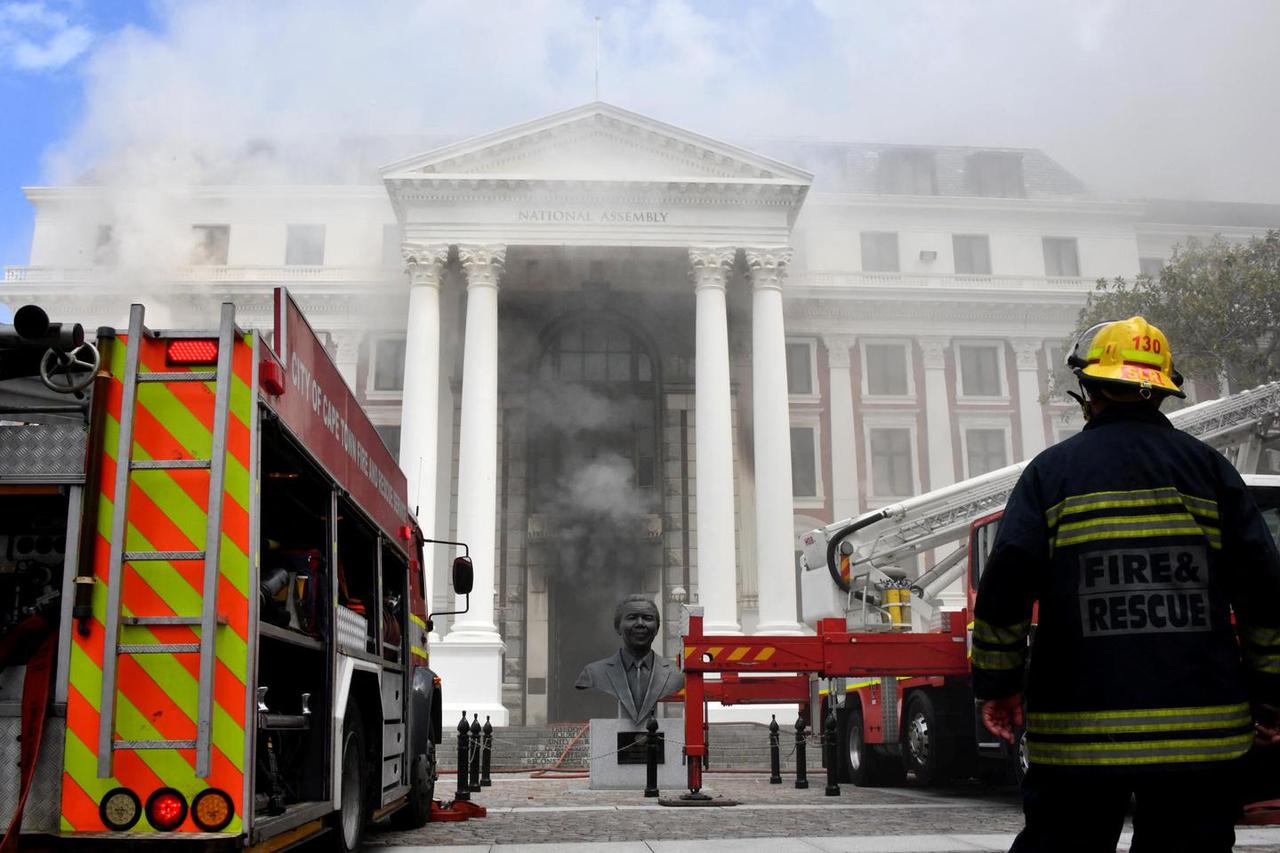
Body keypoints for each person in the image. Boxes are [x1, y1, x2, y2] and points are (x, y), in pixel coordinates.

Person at [972, 316, 1280, 853]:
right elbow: (1264, 595)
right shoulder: (1211, 473)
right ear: (1162, 390)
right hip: (1200, 741)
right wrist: (1272, 696)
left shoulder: (1051, 474)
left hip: (1076, 742)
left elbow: (1006, 589)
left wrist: (997, 685)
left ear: (1088, 390)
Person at [575, 594, 684, 726]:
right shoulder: (593, 673)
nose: (640, 624)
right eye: (632, 618)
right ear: (617, 627)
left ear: (657, 628)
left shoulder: (677, 673)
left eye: (647, 618)